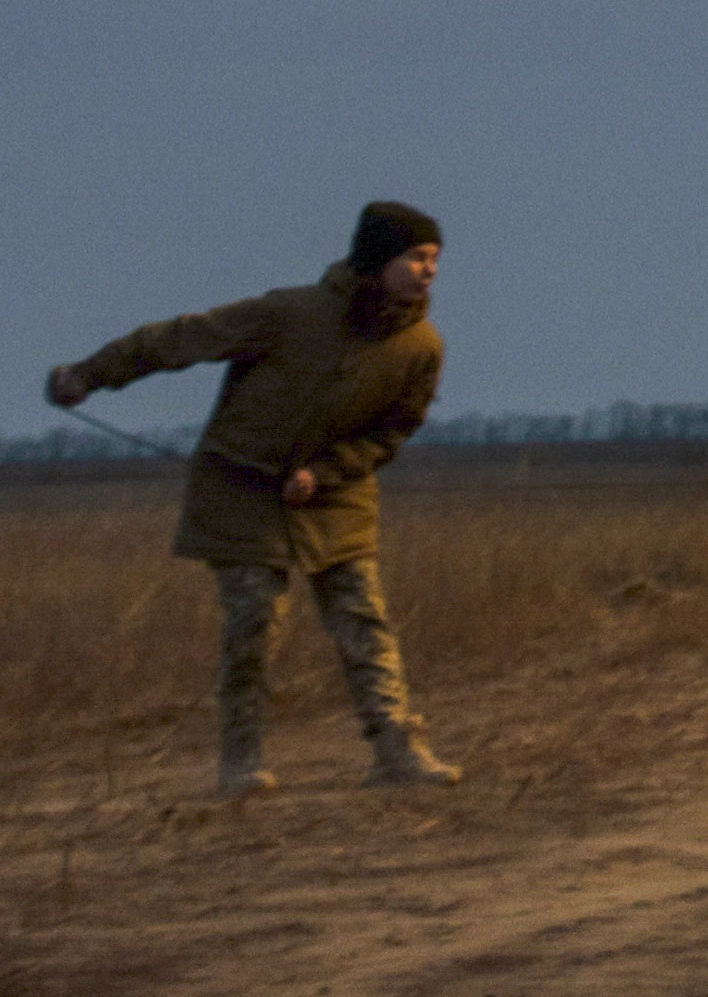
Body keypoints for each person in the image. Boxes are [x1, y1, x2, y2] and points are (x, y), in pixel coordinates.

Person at [43, 200, 460, 793]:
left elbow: (392, 430)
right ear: (377, 257)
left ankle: (397, 752)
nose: (428, 270)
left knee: (365, 624)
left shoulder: (422, 347)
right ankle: (241, 764)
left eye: (435, 259)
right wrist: (87, 374)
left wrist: (326, 471)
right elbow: (182, 339)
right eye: (416, 256)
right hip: (242, 490)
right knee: (255, 624)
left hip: (336, 501)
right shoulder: (290, 312)